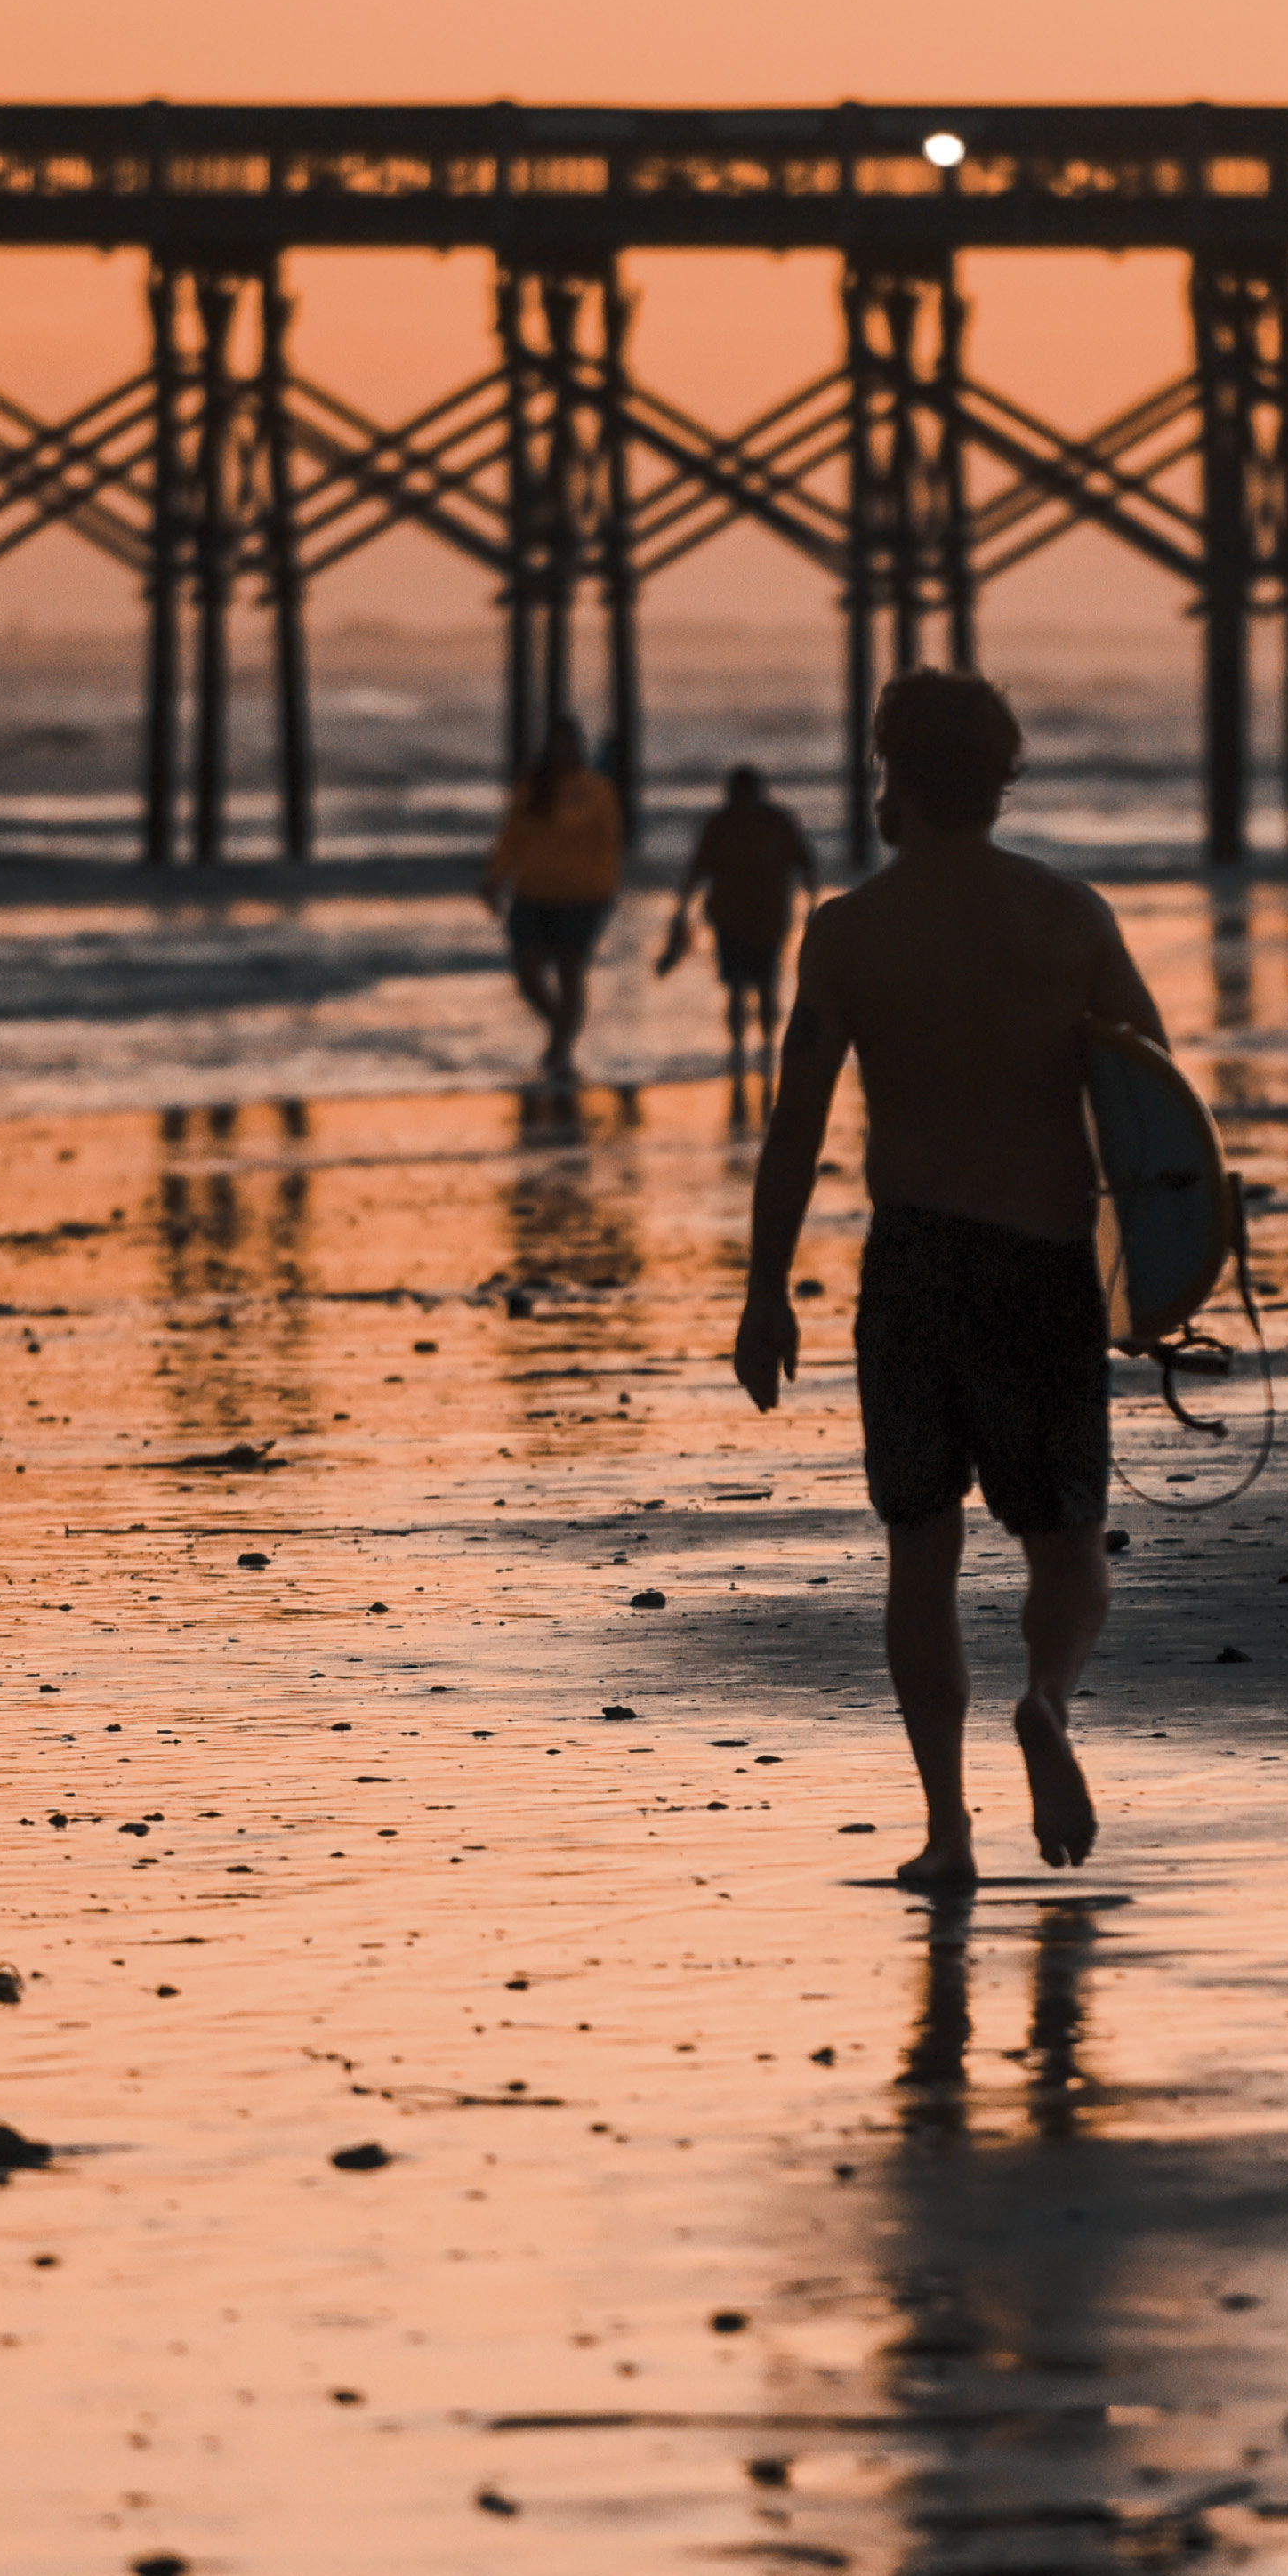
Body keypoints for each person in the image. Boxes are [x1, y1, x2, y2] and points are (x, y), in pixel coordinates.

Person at [731, 668, 1166, 1893]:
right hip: (1042, 1260)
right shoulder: (1069, 918)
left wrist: (765, 1291)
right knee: (1066, 1548)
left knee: (919, 1552)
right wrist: (1158, 1284)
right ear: (998, 778)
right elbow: (1153, 1107)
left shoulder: (848, 932)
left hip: (915, 1264)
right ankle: (1045, 1702)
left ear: (892, 774)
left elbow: (794, 1126)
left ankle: (947, 1829)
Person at [482, 718, 623, 1078]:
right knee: (526, 971)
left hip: (583, 894)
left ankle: (559, 1049)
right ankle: (559, 1026)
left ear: (578, 746)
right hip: (533, 892)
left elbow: (610, 844)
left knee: (570, 971)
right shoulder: (533, 786)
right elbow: (511, 836)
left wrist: (608, 889)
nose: (562, 750)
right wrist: (495, 877)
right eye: (557, 743)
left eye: (568, 743)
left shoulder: (597, 790)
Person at [667, 764, 821, 1054]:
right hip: (734, 920)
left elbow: (805, 864)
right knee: (739, 987)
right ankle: (742, 1050)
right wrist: (682, 908)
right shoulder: (727, 824)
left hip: (766, 921)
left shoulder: (771, 822)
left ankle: (764, 1048)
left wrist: (813, 903)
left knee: (763, 986)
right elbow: (698, 868)